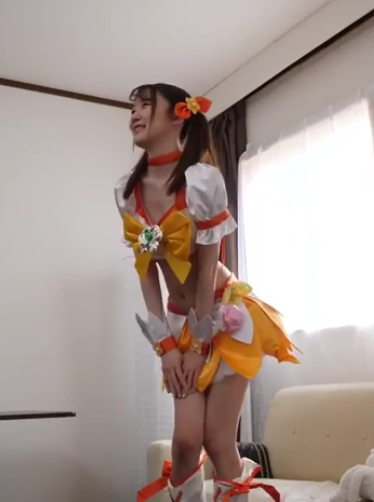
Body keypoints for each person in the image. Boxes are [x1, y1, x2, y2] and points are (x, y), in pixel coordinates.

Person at [116, 83, 299, 502]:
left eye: (146, 105)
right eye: (133, 107)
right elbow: (146, 272)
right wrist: (167, 347)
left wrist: (199, 344)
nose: (135, 114)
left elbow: (207, 265)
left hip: (225, 316)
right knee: (184, 443)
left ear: (178, 116)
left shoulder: (202, 181)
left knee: (218, 441)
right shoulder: (127, 191)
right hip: (180, 322)